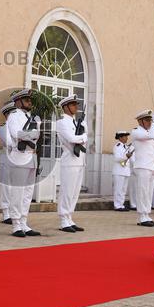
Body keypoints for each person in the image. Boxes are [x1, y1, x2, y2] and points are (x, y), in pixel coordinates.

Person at [5, 89, 41, 237]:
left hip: (31, 156)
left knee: (27, 193)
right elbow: (16, 134)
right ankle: (16, 225)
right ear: (18, 102)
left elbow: (37, 135)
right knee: (17, 192)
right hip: (19, 157)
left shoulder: (32, 118)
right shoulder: (14, 117)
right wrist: (31, 135)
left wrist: (30, 135)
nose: (29, 102)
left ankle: (24, 222)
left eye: (29, 100)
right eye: (26, 100)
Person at [55, 95, 88, 233]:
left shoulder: (77, 122)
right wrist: (84, 136)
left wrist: (83, 135)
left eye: (76, 104)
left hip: (79, 161)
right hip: (69, 161)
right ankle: (63, 220)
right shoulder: (62, 122)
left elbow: (81, 140)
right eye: (73, 105)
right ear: (66, 107)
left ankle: (69, 218)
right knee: (67, 191)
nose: (76, 107)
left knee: (74, 193)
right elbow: (71, 138)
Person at [130, 110, 154, 227]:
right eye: (147, 120)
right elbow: (151, 135)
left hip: (151, 166)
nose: (149, 122)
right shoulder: (136, 131)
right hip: (142, 166)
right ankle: (142, 216)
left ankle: (147, 215)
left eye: (150, 120)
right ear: (140, 121)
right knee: (142, 192)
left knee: (148, 193)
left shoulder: (149, 131)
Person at [0, 102, 15, 224]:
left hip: (18, 160)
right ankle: (6, 213)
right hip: (7, 160)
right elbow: (10, 142)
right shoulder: (3, 128)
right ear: (7, 115)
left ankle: (13, 212)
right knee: (7, 187)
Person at [112, 131, 132, 212]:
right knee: (118, 189)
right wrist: (125, 156)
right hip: (119, 171)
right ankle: (117, 205)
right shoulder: (117, 146)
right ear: (120, 137)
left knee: (123, 190)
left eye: (127, 136)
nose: (127, 138)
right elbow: (117, 158)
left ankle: (121, 204)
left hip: (125, 171)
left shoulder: (126, 147)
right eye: (125, 136)